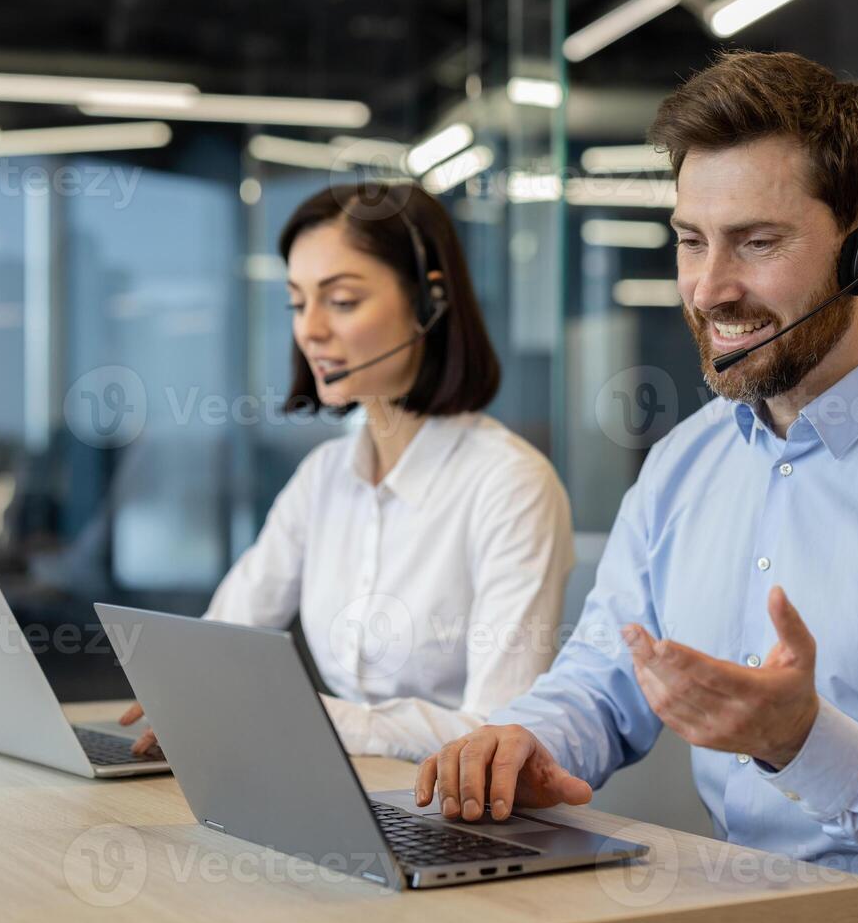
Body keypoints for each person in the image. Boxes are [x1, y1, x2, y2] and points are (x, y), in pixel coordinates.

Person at [415, 50, 858, 923]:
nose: (710, 291)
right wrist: (524, 742)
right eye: (690, 240)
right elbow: (603, 678)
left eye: (758, 241)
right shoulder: (684, 463)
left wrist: (805, 743)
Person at [122, 182, 574, 762]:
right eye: (297, 302)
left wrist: (305, 717)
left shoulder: (510, 485)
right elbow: (224, 637)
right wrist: (185, 690)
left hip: (453, 814)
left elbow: (495, 729)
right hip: (340, 788)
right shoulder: (324, 476)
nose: (309, 329)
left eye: (340, 301)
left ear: (429, 303)